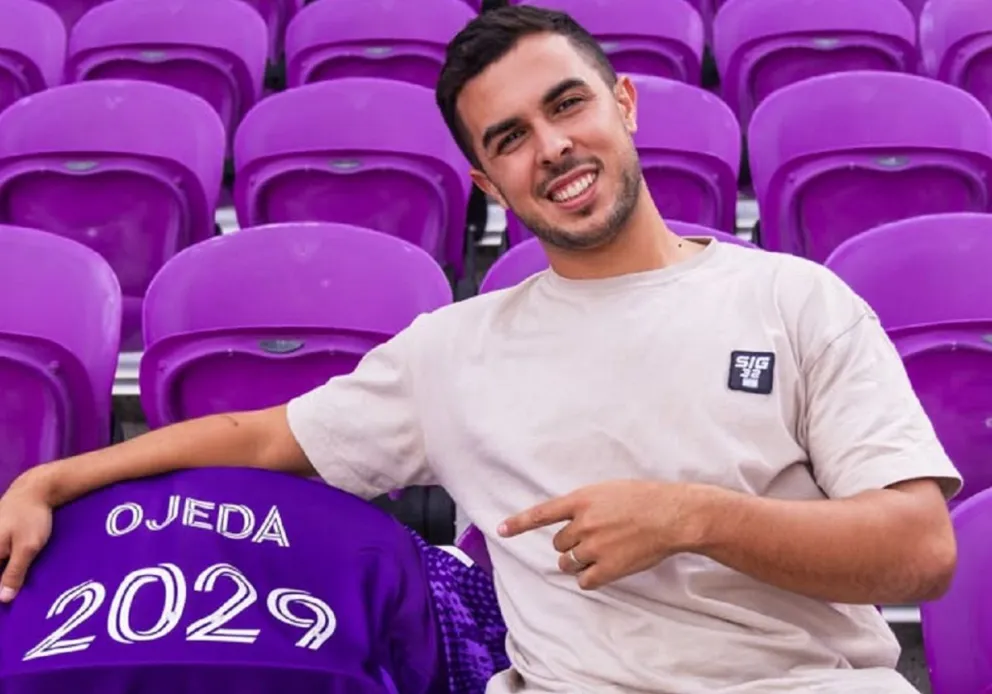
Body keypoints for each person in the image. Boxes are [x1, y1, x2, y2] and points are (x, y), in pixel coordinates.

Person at [0, 6, 961, 693]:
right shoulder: (452, 353)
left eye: (568, 105)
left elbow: (919, 552)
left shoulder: (793, 298)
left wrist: (694, 517)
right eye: (510, 139)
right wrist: (52, 479)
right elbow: (258, 437)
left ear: (625, 103)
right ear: (487, 184)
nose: (552, 147)